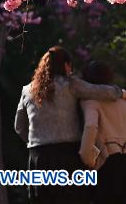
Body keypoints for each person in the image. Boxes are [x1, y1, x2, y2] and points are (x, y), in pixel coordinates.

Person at [14, 46, 126, 204]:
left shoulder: (27, 90)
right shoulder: (71, 85)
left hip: (38, 158)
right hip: (68, 156)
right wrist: (120, 92)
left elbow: (19, 127)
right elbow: (100, 91)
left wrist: (37, 144)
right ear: (66, 65)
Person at [77, 60, 126, 203]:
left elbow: (90, 127)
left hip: (107, 165)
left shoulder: (90, 102)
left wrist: (87, 158)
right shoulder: (123, 101)